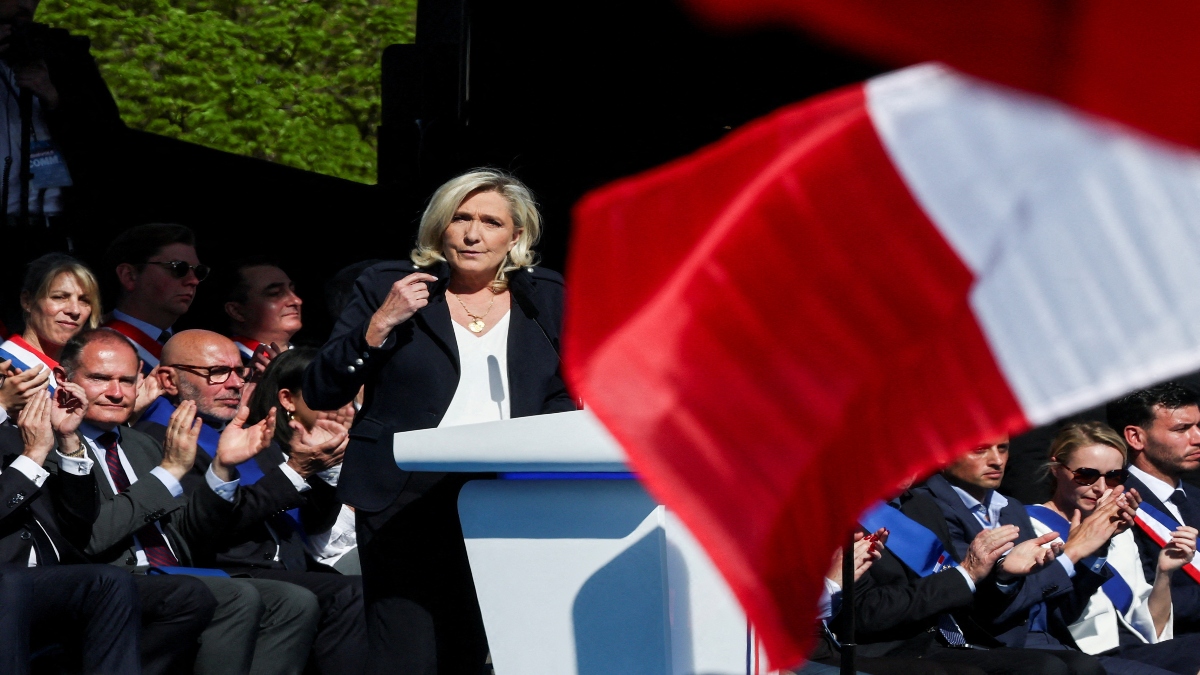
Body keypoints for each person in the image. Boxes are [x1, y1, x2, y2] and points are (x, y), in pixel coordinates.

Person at [304, 168, 575, 674]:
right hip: (402, 495)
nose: (473, 234)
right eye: (460, 218)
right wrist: (379, 324)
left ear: (516, 236)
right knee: (405, 654)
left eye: (491, 222)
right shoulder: (389, 284)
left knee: (470, 652)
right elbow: (322, 389)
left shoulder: (545, 296)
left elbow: (560, 390)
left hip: (507, 494)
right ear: (439, 225)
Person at [59, 327, 321, 675]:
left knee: (293, 601)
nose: (116, 392)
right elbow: (92, 537)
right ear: (63, 379)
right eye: (100, 379)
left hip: (179, 571)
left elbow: (188, 533)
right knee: (236, 598)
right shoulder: (55, 445)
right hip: (115, 578)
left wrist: (222, 468)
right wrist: (167, 472)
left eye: (127, 381)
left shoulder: (140, 445)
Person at [137, 330, 367, 675]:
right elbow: (205, 529)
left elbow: (313, 524)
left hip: (290, 566)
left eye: (239, 371)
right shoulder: (160, 439)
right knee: (347, 594)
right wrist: (295, 471)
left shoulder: (251, 430)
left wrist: (324, 467)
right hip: (228, 570)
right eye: (217, 372)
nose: (234, 384)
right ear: (170, 380)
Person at [912, 437, 1110, 675]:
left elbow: (1055, 609)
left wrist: (1096, 548)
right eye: (979, 450)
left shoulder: (1011, 506)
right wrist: (1071, 553)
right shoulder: (927, 506)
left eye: (1003, 448)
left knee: (1086, 666)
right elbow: (974, 603)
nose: (997, 460)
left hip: (1044, 640)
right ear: (943, 454)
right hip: (981, 643)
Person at [1027, 422, 1200, 675]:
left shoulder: (1121, 531)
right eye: (1086, 475)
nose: (1100, 488)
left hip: (1139, 649)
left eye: (1113, 477)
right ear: (1056, 469)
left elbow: (1151, 628)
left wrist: (1164, 573)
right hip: (1083, 656)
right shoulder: (1030, 526)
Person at [0, 386, 142, 674]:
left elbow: (78, 523)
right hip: (8, 577)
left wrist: (68, 441)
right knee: (12, 583)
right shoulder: (29, 443)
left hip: (47, 574)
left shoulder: (13, 434)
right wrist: (34, 454)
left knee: (110, 581)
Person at [0, 0, 125, 233]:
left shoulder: (61, 53)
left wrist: (55, 99)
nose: (27, 4)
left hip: (56, 221)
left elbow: (108, 135)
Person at [246, 346, 359, 573]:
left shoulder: (355, 442)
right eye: (327, 389)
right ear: (288, 399)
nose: (343, 400)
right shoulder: (262, 455)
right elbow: (316, 540)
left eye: (347, 388)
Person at [1107, 383, 1200, 634]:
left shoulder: (1194, 497)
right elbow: (1139, 600)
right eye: (1181, 429)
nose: (1197, 438)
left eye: (1198, 426)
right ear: (1136, 438)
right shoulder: (1114, 504)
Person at [103, 222, 209, 374]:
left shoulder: (197, 349)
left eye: (199, 271)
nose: (193, 281)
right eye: (178, 268)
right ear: (129, 276)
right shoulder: (95, 346)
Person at [0, 252, 98, 411]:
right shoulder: (4, 367)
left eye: (84, 300)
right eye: (59, 297)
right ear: (27, 301)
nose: (75, 310)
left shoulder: (84, 371)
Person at [222, 257, 303, 363]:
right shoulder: (224, 364)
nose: (297, 301)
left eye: (293, 290)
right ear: (237, 311)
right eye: (275, 293)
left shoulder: (314, 358)